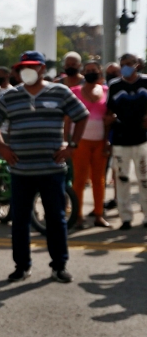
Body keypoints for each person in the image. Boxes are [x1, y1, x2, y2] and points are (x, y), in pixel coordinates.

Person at [0, 51, 89, 283]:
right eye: (23, 67)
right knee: (20, 220)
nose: (27, 70)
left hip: (52, 170)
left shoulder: (60, 92)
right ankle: (22, 266)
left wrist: (72, 145)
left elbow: (81, 116)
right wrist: (1, 147)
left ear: (43, 69)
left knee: (56, 218)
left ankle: (59, 265)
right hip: (21, 170)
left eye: (32, 66)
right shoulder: (11, 96)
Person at [105, 53, 147, 230]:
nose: (126, 67)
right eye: (123, 64)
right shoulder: (115, 86)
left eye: (129, 63)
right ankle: (126, 217)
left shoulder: (145, 83)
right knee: (122, 180)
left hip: (142, 139)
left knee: (144, 180)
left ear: (137, 65)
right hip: (121, 140)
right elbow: (108, 114)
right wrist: (107, 139)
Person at [71, 61, 110, 228]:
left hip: (101, 141)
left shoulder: (107, 91)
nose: (90, 73)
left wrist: (109, 139)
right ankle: (77, 215)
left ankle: (99, 215)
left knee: (98, 179)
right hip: (81, 141)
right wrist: (67, 139)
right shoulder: (75, 92)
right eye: (87, 71)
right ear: (83, 73)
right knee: (79, 179)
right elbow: (67, 118)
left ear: (100, 72)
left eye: (94, 70)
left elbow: (110, 115)